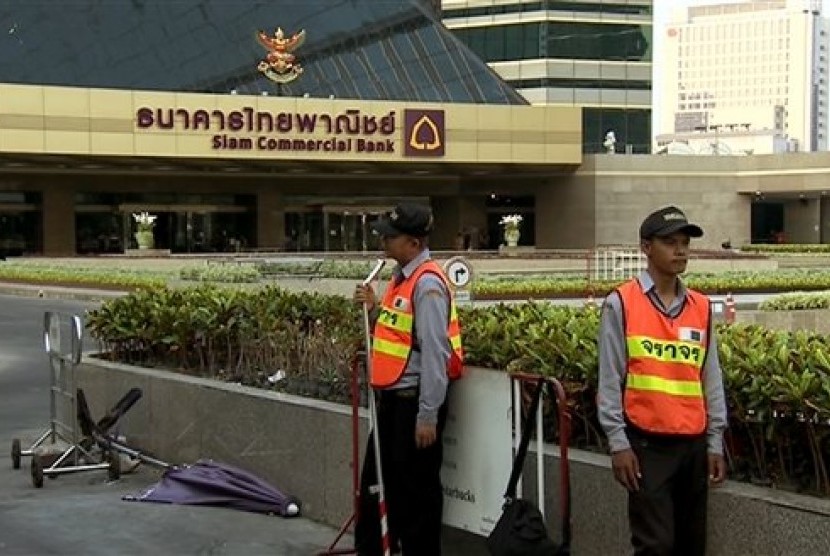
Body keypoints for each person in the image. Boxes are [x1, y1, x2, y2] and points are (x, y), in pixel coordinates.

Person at [597, 206, 728, 556]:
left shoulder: (701, 306)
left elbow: (710, 378)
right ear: (646, 247)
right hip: (646, 447)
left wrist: (715, 442)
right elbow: (609, 379)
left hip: (694, 446)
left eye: (684, 242)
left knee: (690, 546)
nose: (680, 250)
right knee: (655, 546)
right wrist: (618, 443)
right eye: (670, 242)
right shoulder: (621, 303)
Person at [353, 202, 464, 556]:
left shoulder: (427, 285)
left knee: (417, 497)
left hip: (415, 404)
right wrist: (373, 311)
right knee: (380, 487)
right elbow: (397, 339)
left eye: (391, 236)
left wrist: (427, 415)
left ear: (414, 243)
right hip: (392, 403)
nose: (383, 242)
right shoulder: (401, 279)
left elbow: (435, 354)